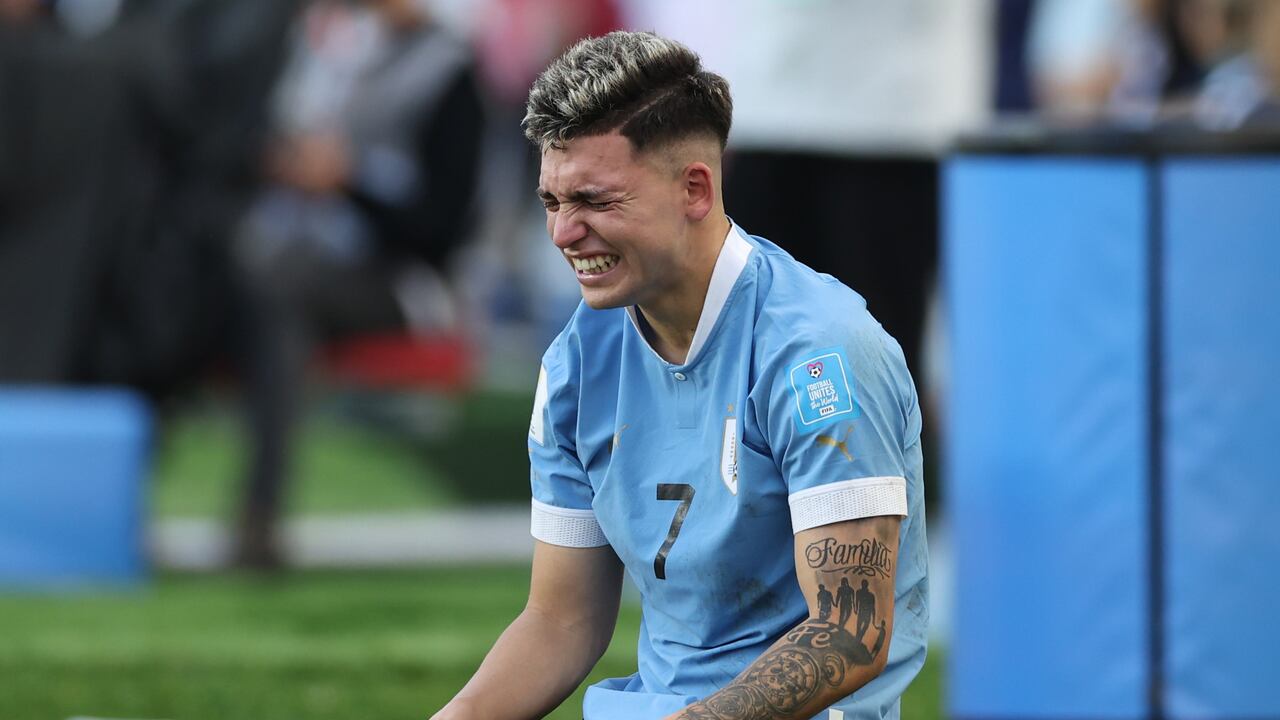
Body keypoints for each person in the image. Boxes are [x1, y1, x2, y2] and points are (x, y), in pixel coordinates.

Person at [432, 31, 927, 720]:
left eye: (595, 201)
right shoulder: (575, 364)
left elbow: (849, 633)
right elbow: (559, 623)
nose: (563, 234)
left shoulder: (823, 353)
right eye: (551, 202)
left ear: (695, 188)